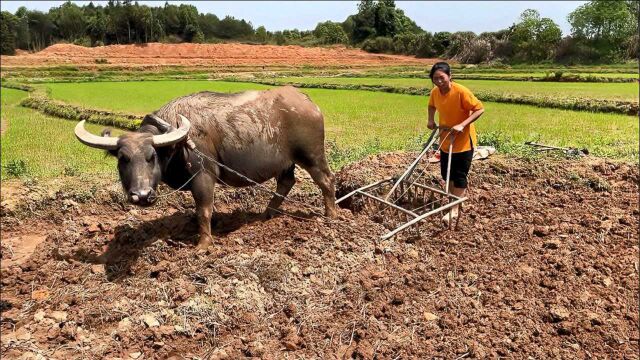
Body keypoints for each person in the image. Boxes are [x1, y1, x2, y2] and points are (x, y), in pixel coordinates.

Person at [426, 62, 484, 225]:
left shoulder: (461, 91)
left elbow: (479, 109)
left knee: (459, 175)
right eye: (435, 78)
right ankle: (454, 201)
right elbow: (431, 106)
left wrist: (462, 124)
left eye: (442, 78)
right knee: (446, 174)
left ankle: (454, 209)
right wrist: (430, 120)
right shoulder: (435, 93)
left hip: (463, 141)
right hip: (446, 138)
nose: (439, 81)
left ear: (450, 76)